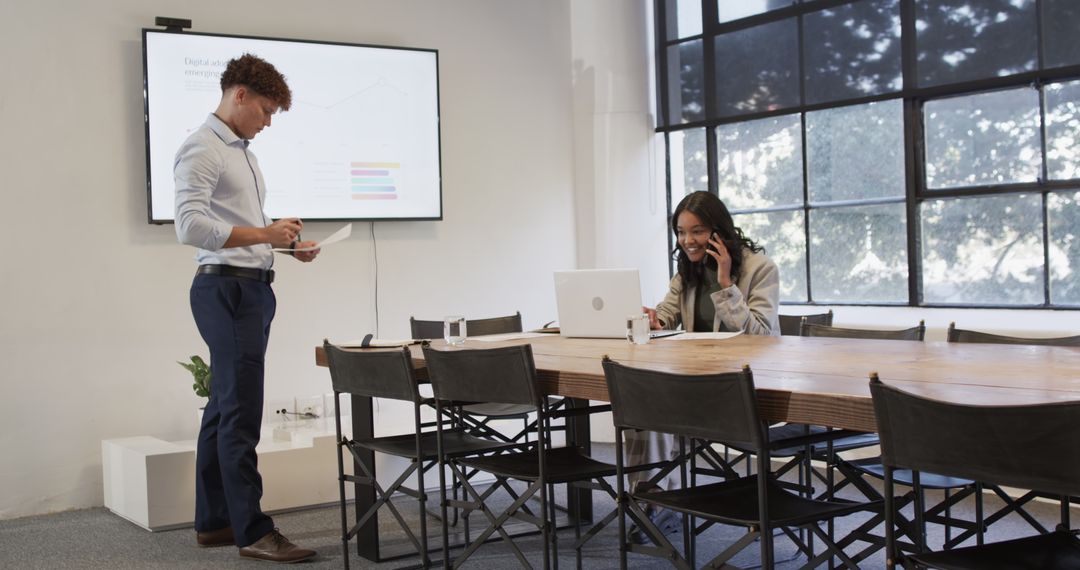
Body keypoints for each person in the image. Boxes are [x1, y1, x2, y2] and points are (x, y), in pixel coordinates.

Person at [175, 53, 319, 564]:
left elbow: (236, 227)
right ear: (239, 95)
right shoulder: (202, 148)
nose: (268, 120)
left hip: (249, 287)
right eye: (265, 109)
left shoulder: (245, 153)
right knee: (240, 413)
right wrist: (264, 233)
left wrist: (284, 244)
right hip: (226, 293)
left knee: (221, 408)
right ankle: (254, 532)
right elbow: (190, 227)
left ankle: (214, 522)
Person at [626, 190, 780, 544]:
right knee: (643, 399)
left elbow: (761, 335)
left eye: (696, 231)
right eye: (681, 232)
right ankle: (653, 497)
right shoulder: (688, 270)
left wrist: (727, 284)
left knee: (657, 401)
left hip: (747, 386)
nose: (687, 240)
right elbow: (667, 313)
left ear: (718, 230)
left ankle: (658, 499)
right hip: (697, 381)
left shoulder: (760, 268)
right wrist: (655, 321)